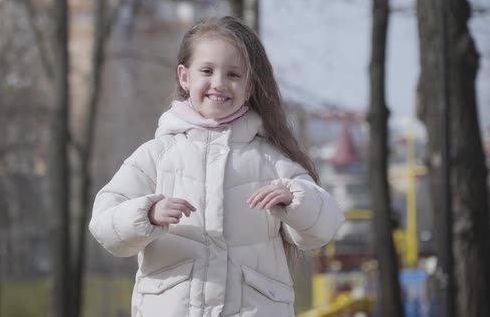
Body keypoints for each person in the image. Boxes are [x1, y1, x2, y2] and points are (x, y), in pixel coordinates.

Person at [89, 16, 344, 317]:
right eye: (207, 71)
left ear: (250, 85)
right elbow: (104, 223)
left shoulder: (271, 158)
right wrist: (147, 214)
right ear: (185, 77)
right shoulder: (158, 155)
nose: (219, 84)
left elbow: (325, 226)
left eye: (234, 74)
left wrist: (296, 199)